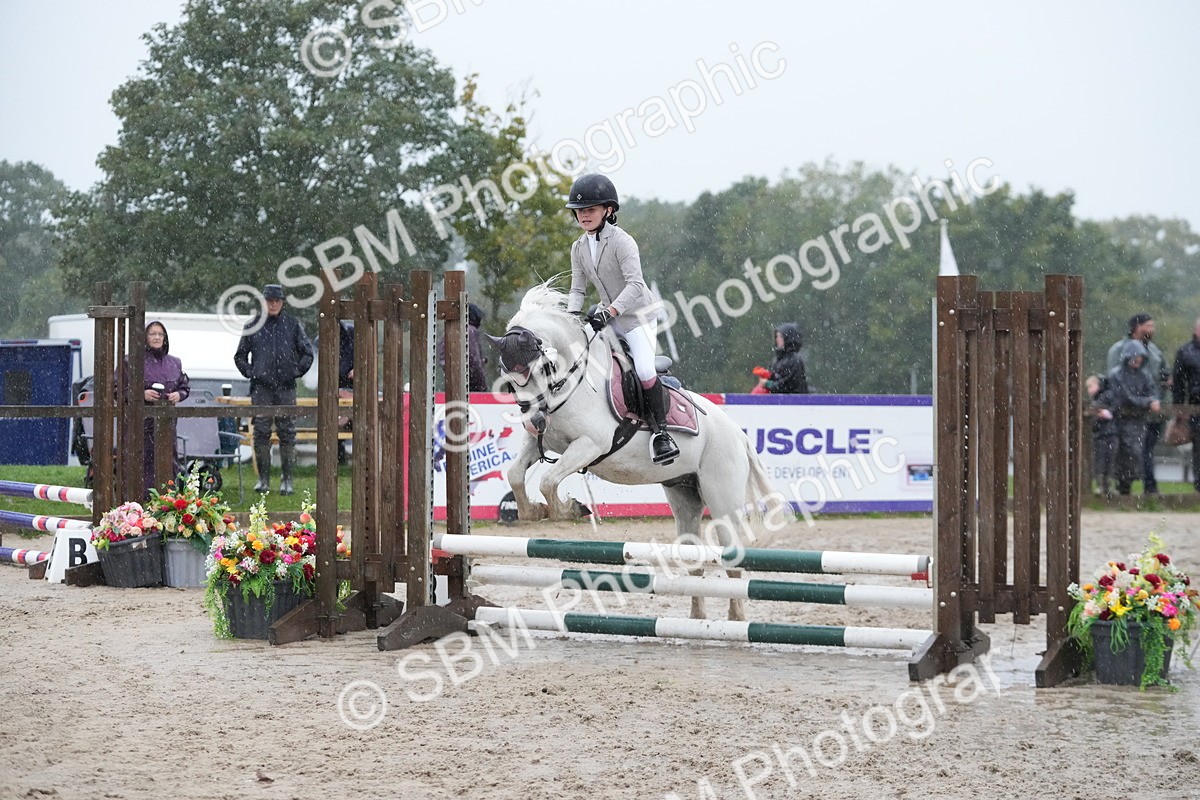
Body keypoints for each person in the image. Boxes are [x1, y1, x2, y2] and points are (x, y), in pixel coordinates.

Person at [563, 173, 678, 465]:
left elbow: (635, 285)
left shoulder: (622, 242)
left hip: (638, 317)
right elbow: (577, 289)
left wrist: (610, 311)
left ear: (608, 210)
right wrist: (571, 318)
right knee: (581, 357)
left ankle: (662, 434)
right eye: (579, 210)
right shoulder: (578, 247)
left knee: (644, 370)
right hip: (608, 316)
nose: (583, 215)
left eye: (590, 209)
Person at [234, 284, 314, 495]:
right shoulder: (252, 325)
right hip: (261, 389)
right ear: (263, 302)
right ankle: (263, 479)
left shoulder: (292, 325)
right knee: (261, 432)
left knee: (288, 433)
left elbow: (307, 353)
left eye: (277, 301)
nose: (273, 304)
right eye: (270, 300)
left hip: (286, 388)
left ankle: (287, 479)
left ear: (283, 303)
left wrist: (296, 371)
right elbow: (240, 356)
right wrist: (252, 372)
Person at [1106, 313, 1169, 494]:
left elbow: (1159, 378)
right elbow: (1115, 383)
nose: (1152, 330)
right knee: (1126, 450)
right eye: (1148, 326)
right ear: (1137, 326)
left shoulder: (1155, 352)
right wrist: (1142, 400)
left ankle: (1149, 487)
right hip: (1126, 413)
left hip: (1151, 412)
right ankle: (1123, 487)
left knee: (1146, 449)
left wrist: (1158, 395)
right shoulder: (1118, 350)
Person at [141, 321, 190, 498]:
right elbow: (119, 389)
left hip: (167, 425)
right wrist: (142, 394)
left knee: (169, 461)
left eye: (160, 334)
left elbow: (184, 387)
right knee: (143, 461)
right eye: (152, 334)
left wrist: (179, 395)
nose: (156, 337)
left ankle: (168, 500)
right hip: (141, 425)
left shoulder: (174, 363)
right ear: (145, 337)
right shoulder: (132, 361)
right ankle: (142, 500)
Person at [1171, 316, 1200, 493]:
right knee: (1199, 447)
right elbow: (1179, 384)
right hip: (1196, 406)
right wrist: (1179, 408)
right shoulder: (1185, 352)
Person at [753, 323, 810, 394]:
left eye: (781, 336)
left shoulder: (794, 360)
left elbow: (789, 385)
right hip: (778, 399)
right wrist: (766, 377)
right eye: (777, 336)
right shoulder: (777, 359)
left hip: (793, 400)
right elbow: (775, 378)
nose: (777, 339)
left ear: (788, 338)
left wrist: (769, 384)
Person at [1085, 374, 1117, 497]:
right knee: (1102, 460)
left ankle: (1105, 485)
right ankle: (1103, 485)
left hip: (1106, 433)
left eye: (1090, 386)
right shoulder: (1100, 398)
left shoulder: (1104, 397)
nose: (1089, 390)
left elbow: (1114, 407)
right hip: (1104, 434)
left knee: (1106, 460)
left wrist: (1106, 413)